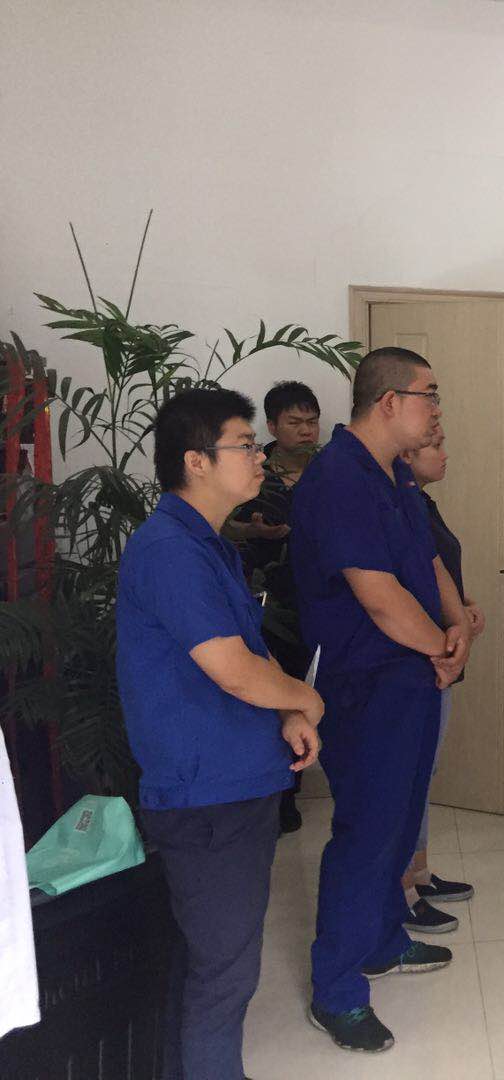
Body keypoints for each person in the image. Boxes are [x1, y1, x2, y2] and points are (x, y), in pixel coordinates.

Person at [116, 388, 324, 1080]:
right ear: (196, 461)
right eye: (245, 444)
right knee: (223, 973)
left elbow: (249, 655)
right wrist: (308, 697)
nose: (260, 456)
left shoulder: (211, 546)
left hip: (236, 780)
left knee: (216, 962)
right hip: (208, 795)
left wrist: (287, 711)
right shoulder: (169, 550)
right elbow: (232, 671)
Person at [290, 347, 472, 1053]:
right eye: (431, 395)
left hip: (411, 676)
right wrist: (441, 647)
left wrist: (455, 631)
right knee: (366, 834)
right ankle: (336, 990)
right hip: (364, 684)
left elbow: (426, 561)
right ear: (390, 402)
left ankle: (384, 940)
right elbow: (378, 596)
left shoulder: (394, 474)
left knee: (400, 823)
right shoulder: (338, 477)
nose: (438, 410)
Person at [398, 428, 483, 936]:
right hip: (422, 654)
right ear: (407, 453)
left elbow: (438, 571)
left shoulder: (422, 503)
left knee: (423, 772)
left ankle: (420, 872)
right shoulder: (393, 503)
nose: (446, 454)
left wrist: (463, 609)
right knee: (409, 774)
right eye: (436, 445)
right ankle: (403, 890)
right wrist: (446, 634)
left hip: (442, 647)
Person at [229, 380, 322, 834]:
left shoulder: (330, 470)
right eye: (294, 422)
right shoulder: (252, 469)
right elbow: (222, 526)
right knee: (269, 700)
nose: (306, 431)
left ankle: (294, 786)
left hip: (318, 600)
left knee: (309, 694)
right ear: (271, 426)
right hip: (264, 603)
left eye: (312, 422)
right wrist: (252, 532)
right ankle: (274, 794)